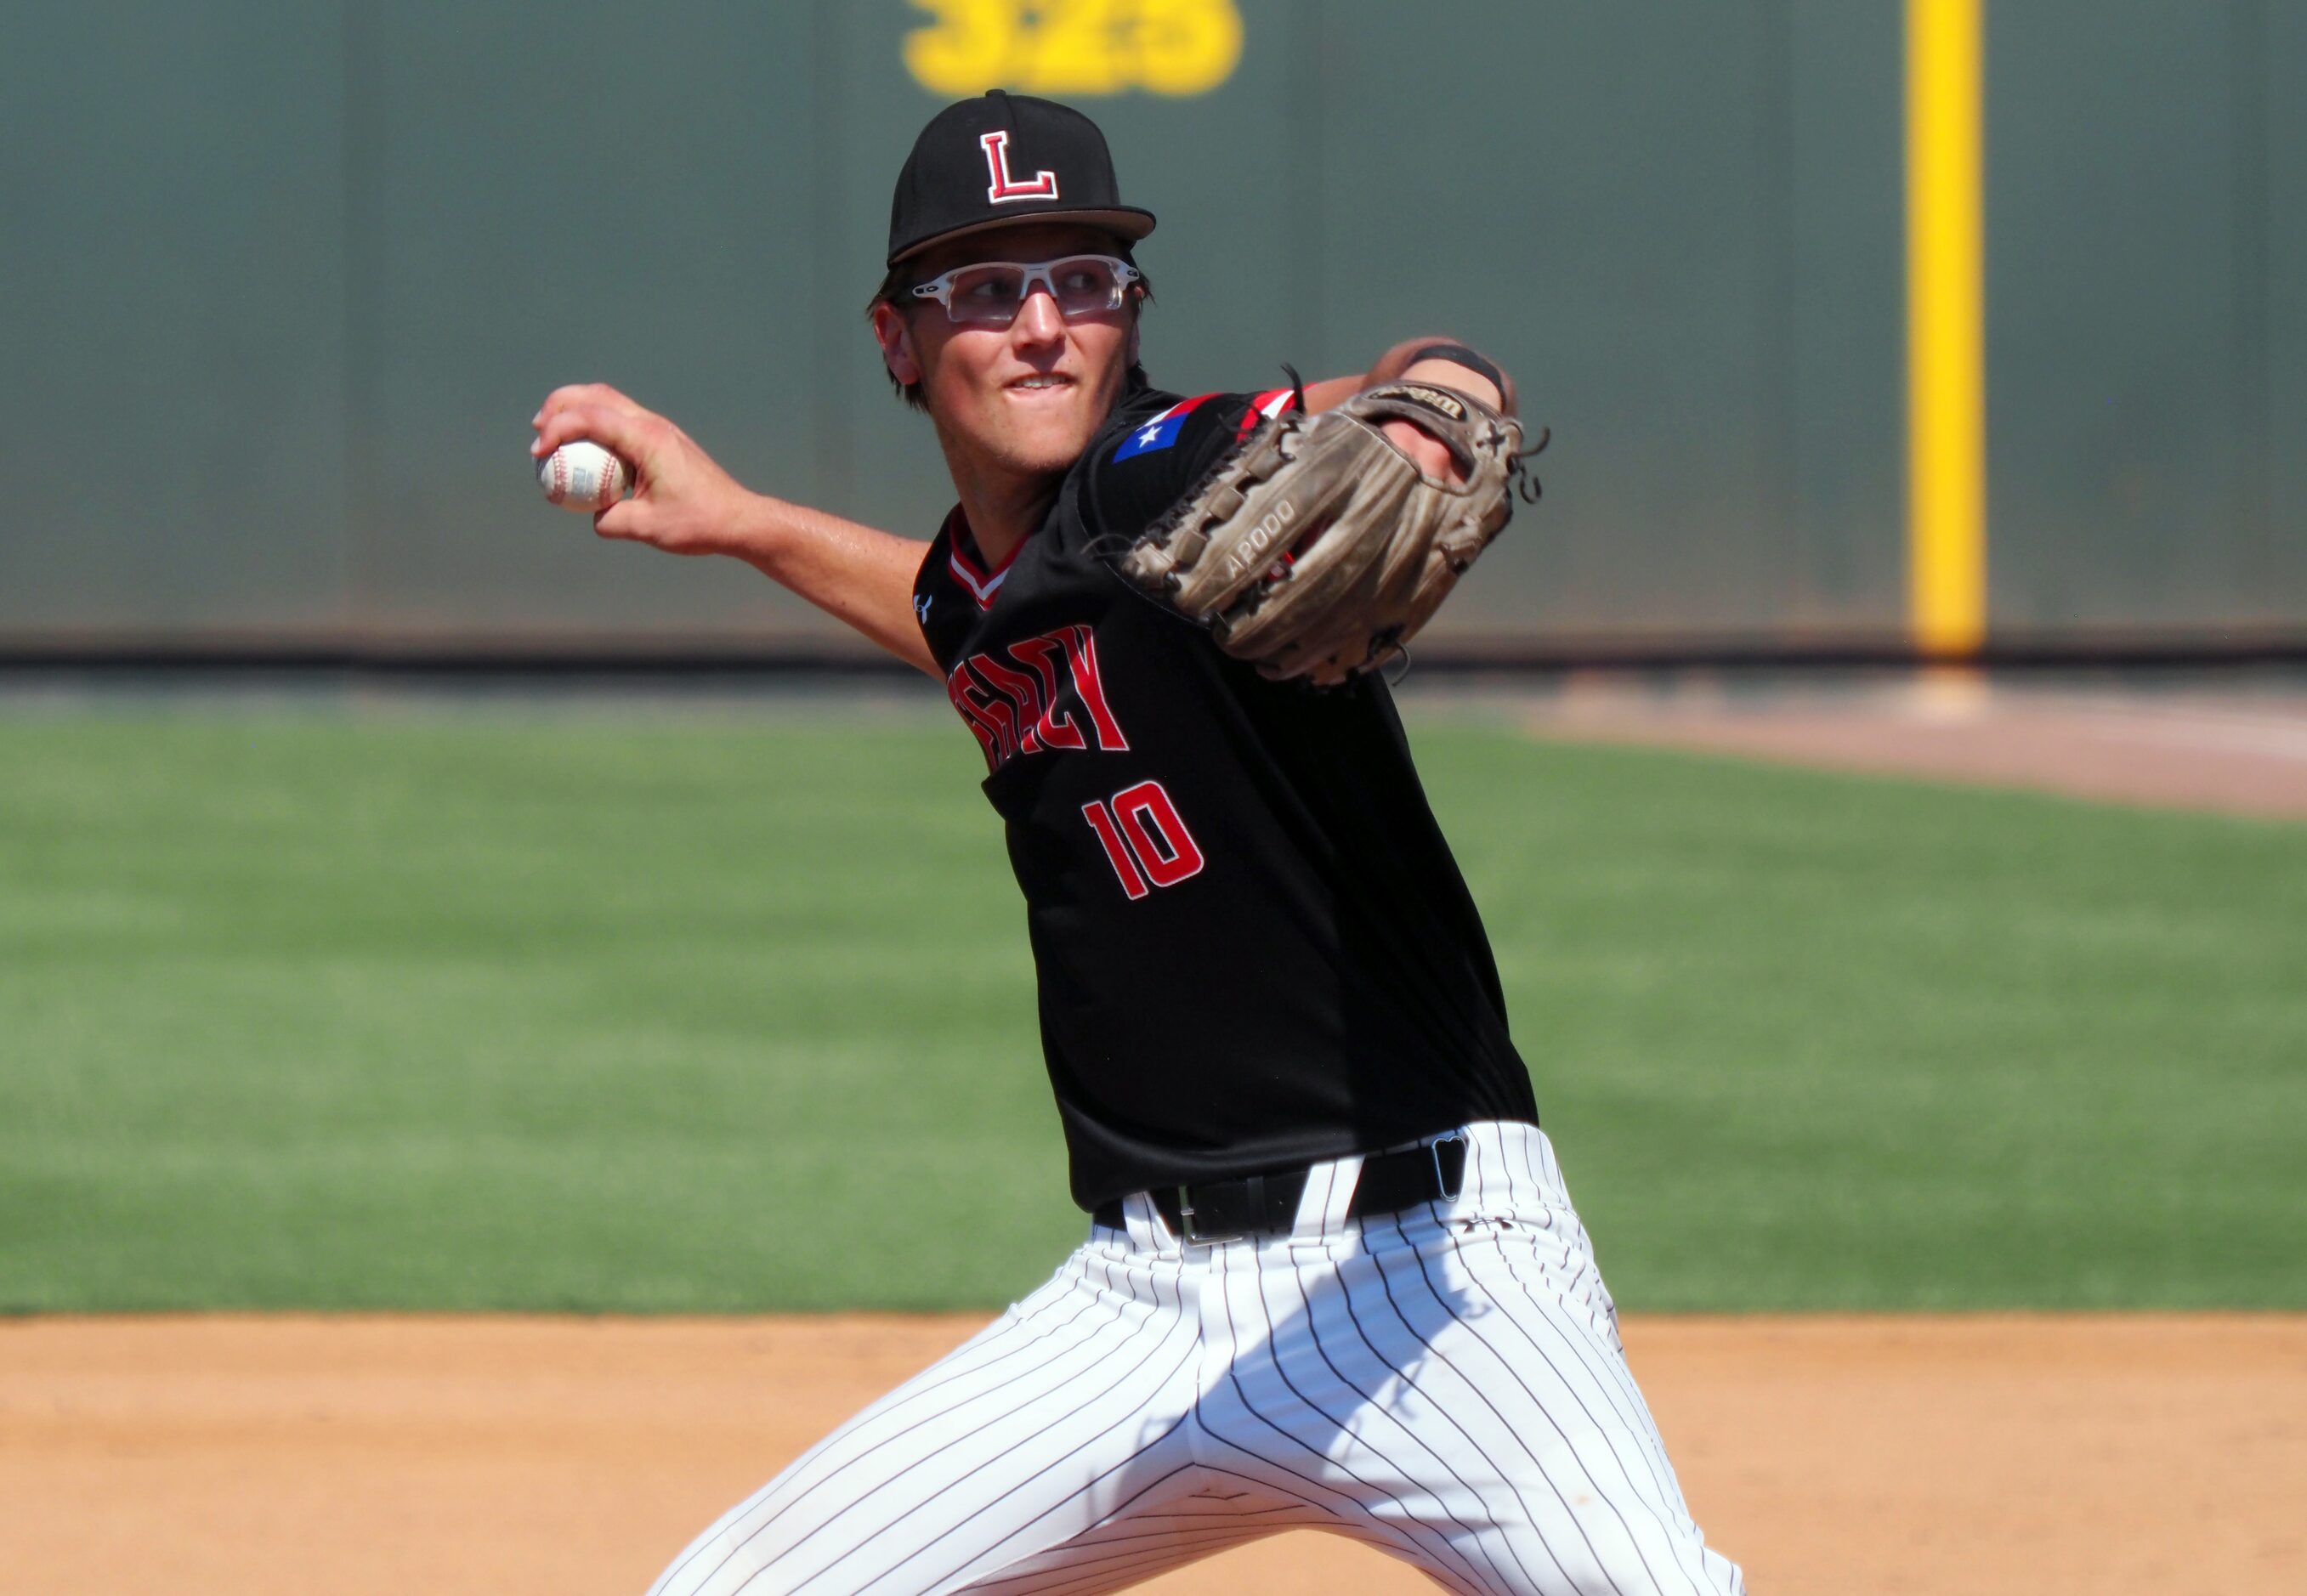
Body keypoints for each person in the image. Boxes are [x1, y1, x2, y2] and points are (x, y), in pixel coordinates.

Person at [533, 90, 1744, 1596]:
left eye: (1082, 281)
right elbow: (959, 622)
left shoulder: (1165, 477)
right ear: (895, 342)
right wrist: (740, 520)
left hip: (1435, 1275)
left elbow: (1406, 381)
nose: (1041, 322)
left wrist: (1437, 410)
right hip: (1144, 1309)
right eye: (983, 289)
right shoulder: (1006, 588)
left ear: (1127, 316)